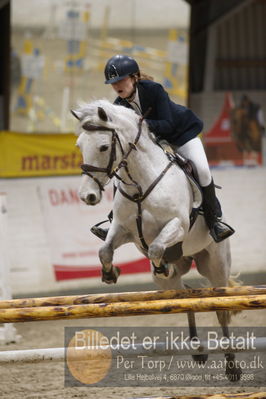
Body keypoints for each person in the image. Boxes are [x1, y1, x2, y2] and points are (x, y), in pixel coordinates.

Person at [91, 54, 234, 243]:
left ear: (134, 77)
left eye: (121, 80)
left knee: (203, 171)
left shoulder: (153, 90)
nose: (117, 85)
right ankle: (115, 221)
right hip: (155, 143)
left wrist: (136, 124)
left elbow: (167, 124)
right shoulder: (119, 105)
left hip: (180, 134)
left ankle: (214, 220)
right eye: (113, 82)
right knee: (121, 177)